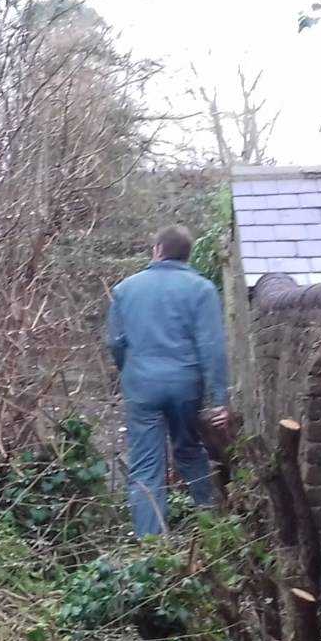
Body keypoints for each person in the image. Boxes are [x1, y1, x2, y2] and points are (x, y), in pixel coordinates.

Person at [105, 225, 229, 538]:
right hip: (186, 384)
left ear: (157, 250)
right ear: (187, 255)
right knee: (189, 450)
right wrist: (220, 400)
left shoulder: (124, 290)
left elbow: (116, 343)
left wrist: (129, 371)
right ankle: (213, 528)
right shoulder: (202, 289)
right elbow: (212, 348)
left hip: (142, 384)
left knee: (146, 467)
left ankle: (152, 546)